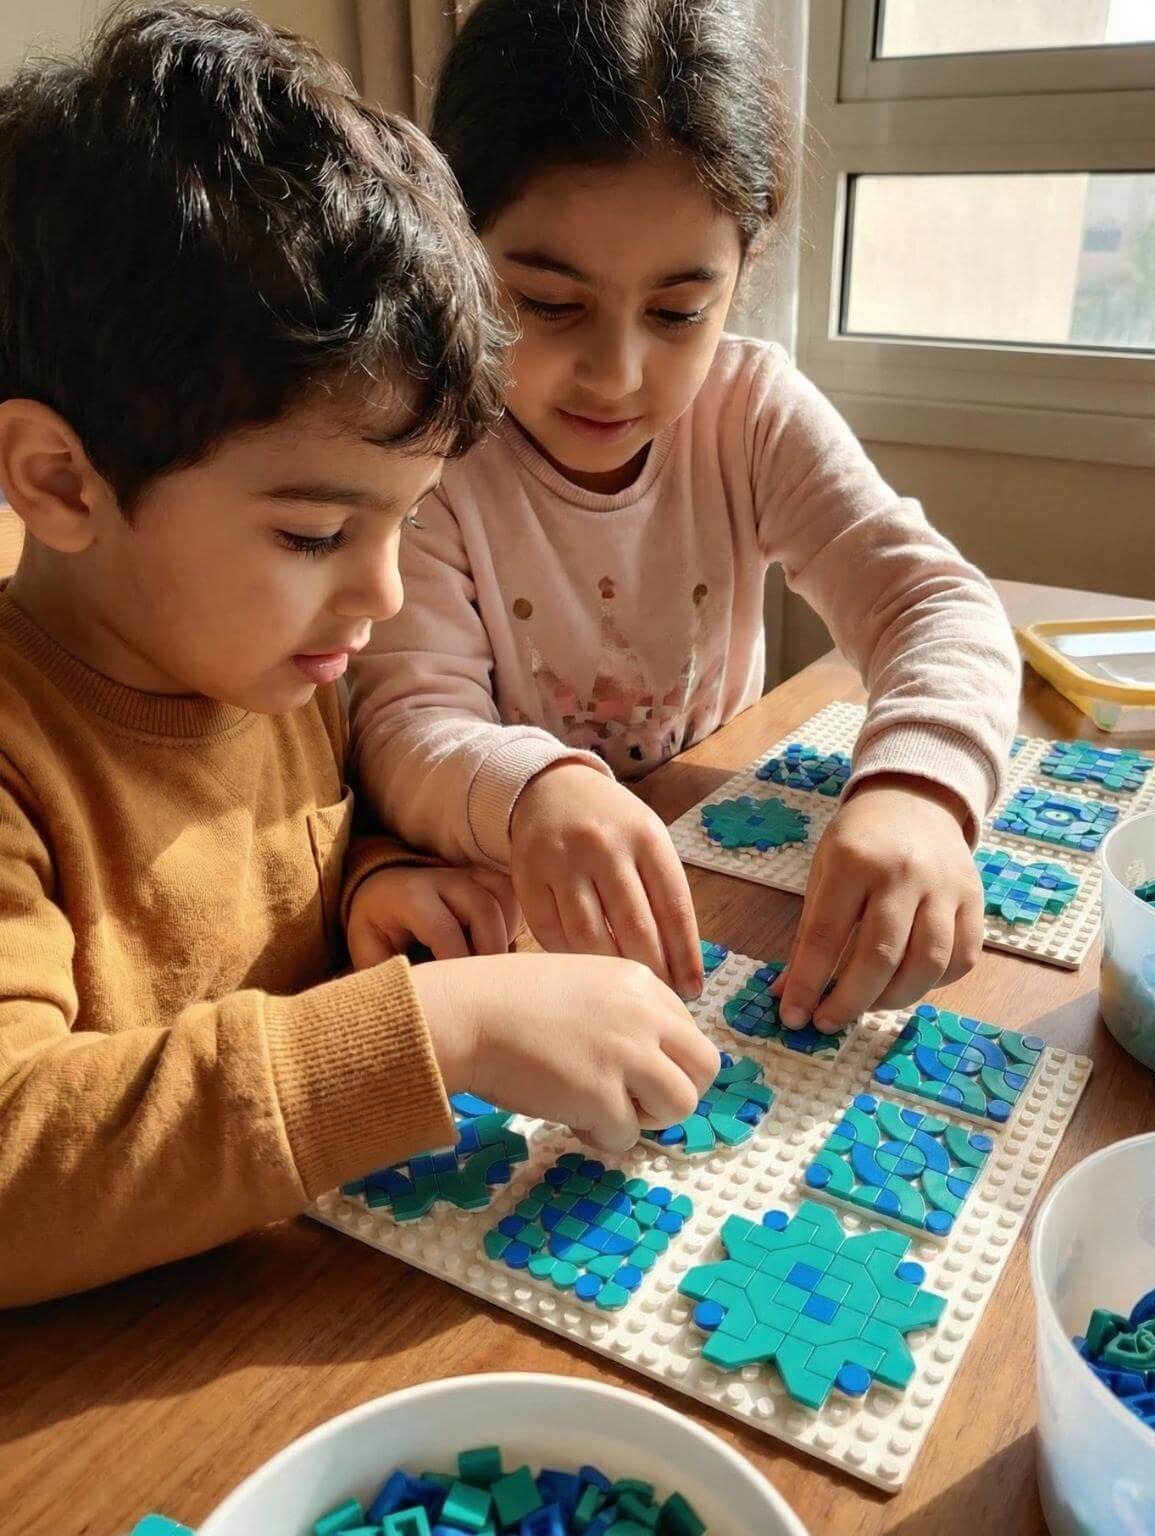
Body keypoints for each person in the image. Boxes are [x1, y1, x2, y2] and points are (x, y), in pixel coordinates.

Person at [0, 1, 716, 1308]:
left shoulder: (257, 665)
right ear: (60, 479)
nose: (380, 594)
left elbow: (269, 886)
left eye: (406, 522)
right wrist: (444, 1031)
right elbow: (15, 1169)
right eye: (319, 530)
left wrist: (373, 886)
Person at [349, 0, 1022, 1037]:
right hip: (523, 924)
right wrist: (535, 795)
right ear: (455, 246)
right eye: (547, 302)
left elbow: (934, 605)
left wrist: (918, 794)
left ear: (743, 272)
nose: (617, 375)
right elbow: (404, 722)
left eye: (676, 314)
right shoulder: (431, 454)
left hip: (719, 883)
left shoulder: (751, 411)